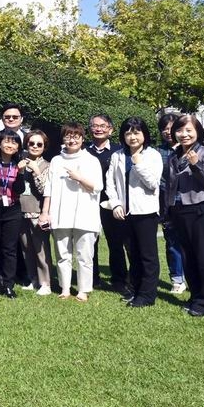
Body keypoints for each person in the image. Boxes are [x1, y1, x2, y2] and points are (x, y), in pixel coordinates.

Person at [39, 122, 104, 302]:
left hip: (85, 214)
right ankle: (65, 288)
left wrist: (79, 178)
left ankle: (83, 290)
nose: (71, 140)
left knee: (85, 255)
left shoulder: (91, 160)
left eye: (76, 136)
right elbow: (49, 189)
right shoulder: (56, 161)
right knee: (62, 254)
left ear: (83, 139)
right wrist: (45, 211)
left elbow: (98, 187)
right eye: (68, 136)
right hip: (60, 214)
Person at [165, 114, 204, 317]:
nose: (184, 134)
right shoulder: (173, 156)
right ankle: (195, 296)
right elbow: (169, 187)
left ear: (198, 132)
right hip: (180, 212)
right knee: (188, 257)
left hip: (202, 211)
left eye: (189, 130)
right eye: (179, 130)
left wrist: (196, 165)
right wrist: (168, 212)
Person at [106, 117, 163, 308]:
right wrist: (115, 204)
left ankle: (147, 295)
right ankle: (136, 289)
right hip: (125, 213)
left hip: (145, 213)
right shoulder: (118, 156)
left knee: (147, 255)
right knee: (133, 254)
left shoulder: (152, 155)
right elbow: (111, 183)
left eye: (137, 132)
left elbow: (153, 183)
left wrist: (138, 164)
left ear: (144, 134)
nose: (132, 136)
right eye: (128, 132)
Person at [85, 113, 128, 293]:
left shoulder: (119, 151)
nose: (98, 129)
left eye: (103, 126)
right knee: (90, 241)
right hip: (88, 201)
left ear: (110, 130)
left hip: (111, 202)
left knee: (115, 241)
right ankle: (92, 278)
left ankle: (119, 279)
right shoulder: (84, 151)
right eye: (95, 125)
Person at [0, 133, 27, 298]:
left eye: (14, 143)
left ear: (18, 147)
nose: (10, 145)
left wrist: (21, 172)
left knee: (10, 249)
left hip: (12, 209)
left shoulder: (19, 164)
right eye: (7, 141)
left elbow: (19, 190)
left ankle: (8, 283)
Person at [18, 130, 53, 296]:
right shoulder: (20, 163)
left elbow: (45, 190)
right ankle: (33, 278)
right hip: (20, 211)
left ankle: (45, 282)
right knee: (26, 248)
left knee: (41, 249)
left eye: (39, 144)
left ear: (44, 147)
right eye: (31, 143)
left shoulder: (47, 165)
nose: (35, 146)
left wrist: (36, 171)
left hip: (37, 212)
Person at [156, 112, 186, 295]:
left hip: (188, 202)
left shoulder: (191, 149)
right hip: (167, 202)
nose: (168, 132)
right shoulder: (157, 152)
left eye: (171, 128)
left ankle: (192, 276)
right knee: (172, 241)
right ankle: (177, 278)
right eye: (164, 129)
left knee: (191, 242)